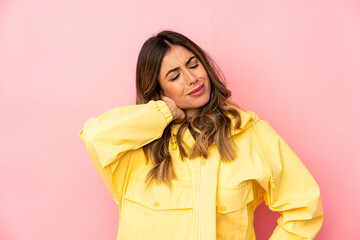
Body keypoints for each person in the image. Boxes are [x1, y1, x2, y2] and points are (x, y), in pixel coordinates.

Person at [78, 30, 324, 240]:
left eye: (194, 65)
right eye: (174, 76)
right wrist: (163, 112)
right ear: (157, 89)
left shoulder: (251, 134)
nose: (192, 78)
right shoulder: (133, 151)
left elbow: (305, 207)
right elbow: (93, 136)